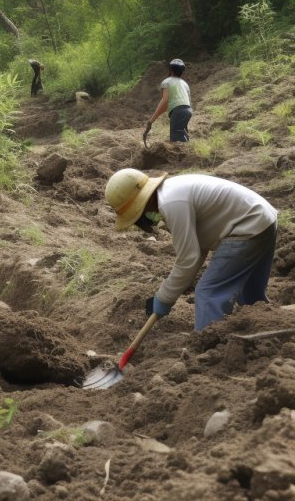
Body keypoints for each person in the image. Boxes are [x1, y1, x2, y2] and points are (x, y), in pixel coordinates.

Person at [104, 168, 277, 331]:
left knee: (208, 293)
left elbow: (188, 260)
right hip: (263, 220)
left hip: (247, 227)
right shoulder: (172, 191)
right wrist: (167, 296)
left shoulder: (171, 203)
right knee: (250, 296)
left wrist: (164, 298)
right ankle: (269, 329)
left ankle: (209, 348)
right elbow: (198, 250)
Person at [146, 58, 192, 142]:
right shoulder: (185, 84)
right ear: (182, 72)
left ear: (170, 70)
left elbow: (165, 101)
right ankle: (187, 151)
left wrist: (151, 120)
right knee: (183, 135)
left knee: (176, 140)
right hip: (188, 111)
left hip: (177, 112)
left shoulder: (166, 82)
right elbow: (187, 101)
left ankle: (181, 152)